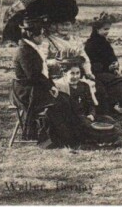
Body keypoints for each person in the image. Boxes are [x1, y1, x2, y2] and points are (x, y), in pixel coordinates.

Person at [11, 15, 84, 149]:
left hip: (35, 88)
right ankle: (55, 139)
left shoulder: (31, 48)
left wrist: (51, 85)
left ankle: (72, 136)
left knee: (66, 99)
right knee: (60, 103)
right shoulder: (25, 51)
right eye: (41, 35)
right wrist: (50, 87)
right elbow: (34, 76)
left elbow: (41, 74)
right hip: (27, 92)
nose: (43, 37)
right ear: (31, 35)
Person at [53, 58, 121, 144]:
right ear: (65, 74)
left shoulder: (84, 85)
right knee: (92, 130)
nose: (76, 76)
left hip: (87, 117)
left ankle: (115, 135)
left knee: (109, 120)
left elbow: (90, 104)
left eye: (78, 73)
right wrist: (81, 118)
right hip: (72, 120)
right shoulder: (60, 87)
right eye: (72, 73)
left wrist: (91, 114)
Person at [84, 12, 122, 115]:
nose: (107, 32)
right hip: (96, 72)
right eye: (105, 29)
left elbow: (111, 56)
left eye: (108, 29)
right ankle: (107, 109)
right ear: (97, 29)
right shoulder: (91, 44)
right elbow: (92, 62)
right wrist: (107, 67)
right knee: (116, 82)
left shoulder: (105, 42)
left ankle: (111, 106)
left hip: (107, 70)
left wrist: (114, 65)